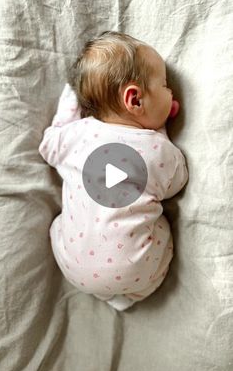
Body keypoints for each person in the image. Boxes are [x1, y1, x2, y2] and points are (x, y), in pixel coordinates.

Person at [39, 31, 188, 311]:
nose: (171, 94)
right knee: (161, 226)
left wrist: (72, 98)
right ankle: (127, 298)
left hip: (73, 268)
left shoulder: (75, 135)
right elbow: (176, 183)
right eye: (166, 86)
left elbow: (48, 145)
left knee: (61, 223)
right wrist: (159, 130)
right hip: (139, 271)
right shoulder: (157, 148)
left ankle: (111, 296)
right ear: (135, 100)